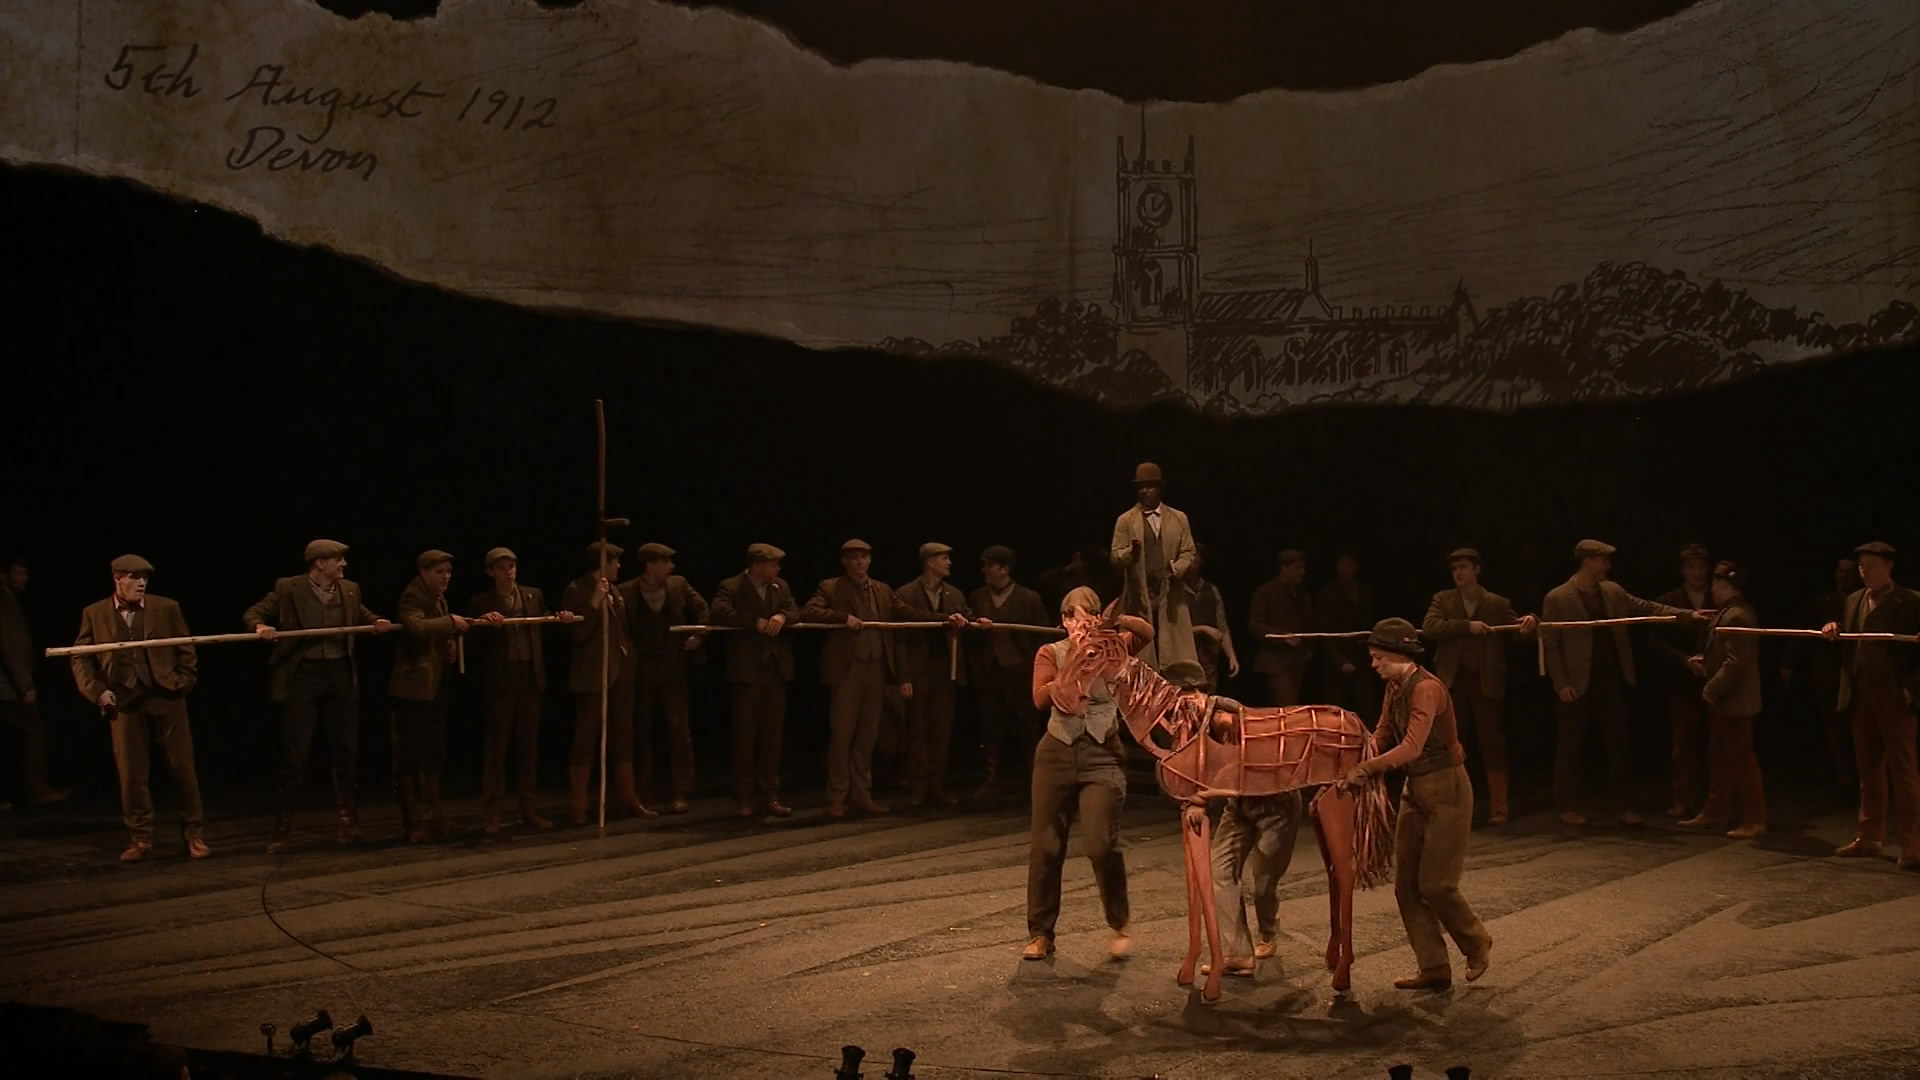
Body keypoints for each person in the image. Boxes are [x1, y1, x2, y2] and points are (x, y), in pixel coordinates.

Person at [1341, 618, 1491, 991]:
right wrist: (1351, 754)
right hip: (1416, 790)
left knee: (1437, 885)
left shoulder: (1426, 689)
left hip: (1446, 789)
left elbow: (1411, 747)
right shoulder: (1395, 687)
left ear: (1399, 654)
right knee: (1406, 887)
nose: (1373, 664)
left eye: (1379, 657)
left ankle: (1477, 942)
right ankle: (1434, 966)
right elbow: (1383, 734)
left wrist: (1367, 768)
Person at [1540, 539, 1712, 827]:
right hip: (1576, 682)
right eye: (1603, 560)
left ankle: (1622, 805)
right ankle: (1566, 804)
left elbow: (1646, 607)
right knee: (1571, 746)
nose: (1608, 566)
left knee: (1618, 745)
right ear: (1588, 561)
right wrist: (1561, 683)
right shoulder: (1557, 597)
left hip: (1610, 679)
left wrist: (1688, 615)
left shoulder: (1612, 590)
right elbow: (1551, 644)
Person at [1023, 586, 1154, 962]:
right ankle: (1041, 933)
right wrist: (1073, 665)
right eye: (1075, 618)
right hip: (1056, 753)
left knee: (1101, 844)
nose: (1082, 625)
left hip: (1101, 754)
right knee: (1046, 847)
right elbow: (1040, 698)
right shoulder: (1052, 652)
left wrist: (1114, 621)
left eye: (1089, 617)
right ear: (1064, 621)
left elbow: (1146, 632)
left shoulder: (1115, 647)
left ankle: (1119, 923)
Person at [245, 539, 393, 853]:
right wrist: (260, 626)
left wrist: (375, 622)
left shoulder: (349, 589)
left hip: (339, 674)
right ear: (319, 563)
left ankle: (349, 825)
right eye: (338, 560)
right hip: (303, 676)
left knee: (346, 750)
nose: (344, 564)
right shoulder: (289, 588)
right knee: (296, 756)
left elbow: (361, 613)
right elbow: (255, 612)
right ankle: (282, 831)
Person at [70, 555, 208, 861]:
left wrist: (184, 680)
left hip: (166, 694)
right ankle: (141, 838)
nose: (141, 583)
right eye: (134, 577)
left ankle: (194, 834)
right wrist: (97, 691)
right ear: (117, 579)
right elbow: (80, 656)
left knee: (182, 768)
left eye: (145, 577)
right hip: (123, 699)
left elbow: (186, 646)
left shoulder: (166, 607)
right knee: (132, 773)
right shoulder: (95, 613)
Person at [1172, 660, 1302, 978]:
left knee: (1263, 883)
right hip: (1238, 807)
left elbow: (1243, 771)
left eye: (1184, 697)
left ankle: (1268, 931)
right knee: (1219, 872)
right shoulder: (1189, 724)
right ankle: (1238, 954)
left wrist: (1202, 798)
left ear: (1198, 693)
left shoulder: (1231, 719)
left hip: (1276, 804)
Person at [1822, 541, 1920, 869]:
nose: (1865, 571)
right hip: (1862, 696)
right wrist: (1834, 629)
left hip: (1895, 698)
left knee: (1904, 773)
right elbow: (1849, 642)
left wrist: (1910, 690)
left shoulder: (1910, 601)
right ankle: (1869, 836)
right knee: (1868, 771)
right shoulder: (1854, 600)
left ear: (1889, 567)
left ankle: (1912, 845)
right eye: (1862, 566)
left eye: (1871, 565)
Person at [1422, 548, 1536, 826]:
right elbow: (1430, 627)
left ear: (1476, 570)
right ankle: (1452, 804)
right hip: (1453, 682)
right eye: (1454, 569)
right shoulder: (1443, 599)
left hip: (1485, 681)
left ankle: (1499, 806)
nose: (1458, 573)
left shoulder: (1495, 603)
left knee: (1491, 743)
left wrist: (1531, 622)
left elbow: (1519, 631)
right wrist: (1466, 626)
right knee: (1451, 742)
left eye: (1463, 567)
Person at [468, 546, 574, 835]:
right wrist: (486, 624)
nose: (508, 572)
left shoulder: (532, 595)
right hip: (501, 681)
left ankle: (530, 809)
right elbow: (474, 646)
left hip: (530, 678)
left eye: (511, 566)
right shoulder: (481, 601)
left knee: (529, 748)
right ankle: (492, 814)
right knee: (497, 750)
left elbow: (546, 622)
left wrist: (560, 618)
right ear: (490, 572)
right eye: (502, 567)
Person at [389, 550, 492, 841]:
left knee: (433, 751)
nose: (446, 577)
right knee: (411, 755)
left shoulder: (438, 597)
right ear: (423, 572)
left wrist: (448, 642)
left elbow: (437, 630)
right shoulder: (413, 595)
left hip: (433, 684)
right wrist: (449, 623)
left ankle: (432, 815)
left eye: (448, 572)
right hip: (413, 689)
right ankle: (414, 822)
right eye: (439, 572)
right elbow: (416, 626)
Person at [804, 539, 910, 817]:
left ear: (870, 560)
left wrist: (947, 617)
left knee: (867, 736)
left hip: (876, 669)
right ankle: (837, 796)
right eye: (854, 558)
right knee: (842, 736)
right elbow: (809, 610)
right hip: (847, 670)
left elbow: (906, 612)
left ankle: (862, 794)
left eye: (864, 557)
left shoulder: (882, 589)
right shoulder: (831, 587)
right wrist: (842, 617)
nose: (859, 562)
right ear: (844, 561)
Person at [561, 541, 655, 824]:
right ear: (603, 564)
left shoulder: (614, 590)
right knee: (586, 739)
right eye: (615, 561)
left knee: (623, 736)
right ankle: (578, 806)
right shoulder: (577, 589)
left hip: (621, 673)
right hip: (592, 675)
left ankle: (629, 798)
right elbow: (578, 635)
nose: (619, 566)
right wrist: (593, 603)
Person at [709, 544, 799, 817]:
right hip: (746, 672)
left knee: (773, 736)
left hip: (775, 670)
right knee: (745, 737)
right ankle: (744, 797)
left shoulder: (781, 586)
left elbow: (796, 611)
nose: (777, 569)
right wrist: (753, 621)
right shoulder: (732, 586)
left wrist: (782, 616)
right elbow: (719, 611)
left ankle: (769, 795)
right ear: (757, 566)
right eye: (773, 564)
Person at [1680, 561, 1766, 839]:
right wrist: (1705, 661)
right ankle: (1716, 811)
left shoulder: (1737, 615)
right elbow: (1723, 654)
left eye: (1717, 583)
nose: (1713, 588)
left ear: (1727, 585)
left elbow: (1736, 661)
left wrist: (1711, 688)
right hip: (1725, 702)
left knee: (1741, 759)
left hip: (1735, 701)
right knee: (1720, 757)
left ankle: (1754, 818)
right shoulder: (1728, 613)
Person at [627, 543, 709, 813]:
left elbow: (703, 609)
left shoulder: (678, 585)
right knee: (642, 730)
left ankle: (681, 790)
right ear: (650, 564)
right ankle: (643, 790)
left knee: (679, 729)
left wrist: (698, 636)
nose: (671, 567)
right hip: (642, 669)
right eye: (666, 562)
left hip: (673, 667)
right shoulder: (628, 590)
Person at [894, 542, 975, 809]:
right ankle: (918, 788)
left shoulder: (954, 593)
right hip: (919, 670)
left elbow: (969, 618)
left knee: (942, 731)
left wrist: (976, 622)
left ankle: (937, 786)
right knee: (917, 730)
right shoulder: (906, 593)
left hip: (945, 671)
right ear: (930, 562)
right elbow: (900, 639)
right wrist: (904, 676)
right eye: (944, 558)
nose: (949, 563)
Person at [967, 545, 1049, 803]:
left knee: (1027, 726)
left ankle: (1035, 780)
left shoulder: (1029, 598)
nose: (985, 570)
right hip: (989, 672)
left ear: (1004, 568)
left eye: (989, 565)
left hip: (1019, 672)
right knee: (990, 726)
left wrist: (1033, 668)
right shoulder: (977, 598)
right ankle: (992, 780)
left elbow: (1042, 637)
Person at [1110, 462, 1198, 671]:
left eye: (1149, 486)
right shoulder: (1126, 520)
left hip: (1169, 593)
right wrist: (1131, 553)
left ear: (1159, 488)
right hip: (1139, 595)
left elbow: (1188, 551)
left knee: (1174, 649)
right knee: (1141, 650)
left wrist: (1176, 568)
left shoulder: (1178, 518)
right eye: (1140, 487)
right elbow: (1115, 556)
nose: (1144, 491)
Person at [0, 557, 68, 809]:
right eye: (19, 573)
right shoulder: (4, 601)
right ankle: (37, 790)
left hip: (8, 686)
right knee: (33, 732)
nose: (24, 579)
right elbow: (11, 646)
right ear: (5, 575)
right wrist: (25, 685)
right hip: (7, 687)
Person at [1655, 544, 1715, 818]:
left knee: (1716, 742)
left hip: (1716, 679)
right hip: (1682, 681)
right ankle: (1683, 798)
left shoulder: (1718, 597)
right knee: (1683, 744)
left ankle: (1715, 799)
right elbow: (1656, 642)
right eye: (1692, 567)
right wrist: (1684, 660)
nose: (1697, 573)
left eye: (1701, 567)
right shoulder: (1670, 600)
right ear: (1683, 570)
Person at [1248, 549, 1313, 706]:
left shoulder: (1302, 594)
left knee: (1294, 704)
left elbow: (1307, 623)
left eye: (1303, 568)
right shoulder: (1267, 591)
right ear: (1284, 568)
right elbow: (1255, 625)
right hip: (1275, 660)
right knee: (1287, 704)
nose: (1302, 572)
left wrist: (1309, 647)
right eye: (1297, 568)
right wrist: (1283, 636)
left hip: (1298, 660)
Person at [1184, 544, 1239, 692]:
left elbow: (1222, 625)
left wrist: (1231, 656)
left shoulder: (1211, 589)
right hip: (1185, 657)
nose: (1193, 560)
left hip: (1209, 657)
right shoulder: (1174, 592)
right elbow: (1172, 630)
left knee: (1208, 696)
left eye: (1196, 556)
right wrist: (1202, 629)